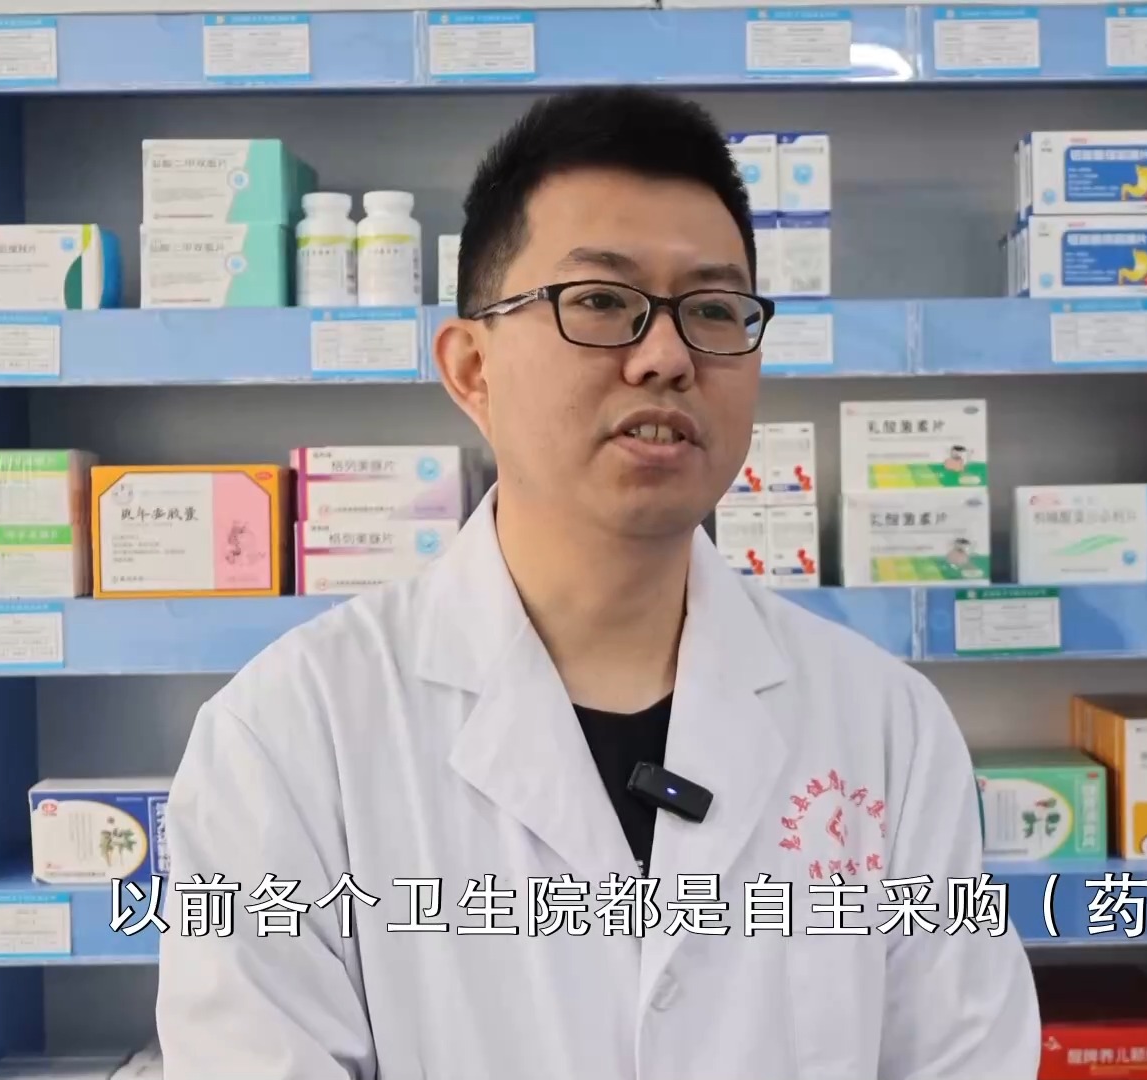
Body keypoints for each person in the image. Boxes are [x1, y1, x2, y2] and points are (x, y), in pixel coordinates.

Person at [156, 86, 1041, 1080]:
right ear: (472, 368)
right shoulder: (287, 737)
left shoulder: (887, 728)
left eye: (713, 310)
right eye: (601, 303)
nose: (667, 357)